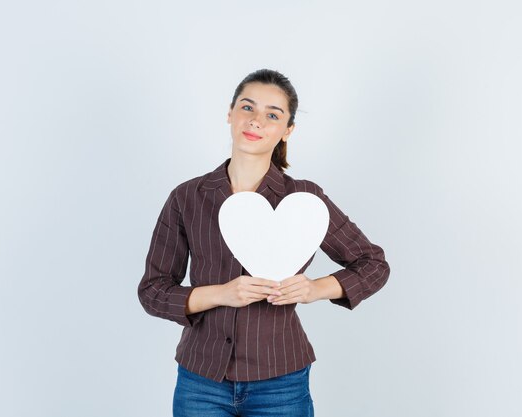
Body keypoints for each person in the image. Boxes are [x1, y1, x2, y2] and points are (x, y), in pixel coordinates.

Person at [137, 68, 391, 417]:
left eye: (272, 115)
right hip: (201, 381)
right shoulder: (187, 197)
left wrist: (315, 289)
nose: (256, 121)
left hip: (281, 380)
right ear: (230, 113)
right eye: (247, 107)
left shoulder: (304, 200)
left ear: (288, 130)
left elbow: (373, 264)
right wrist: (222, 294)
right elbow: (153, 290)